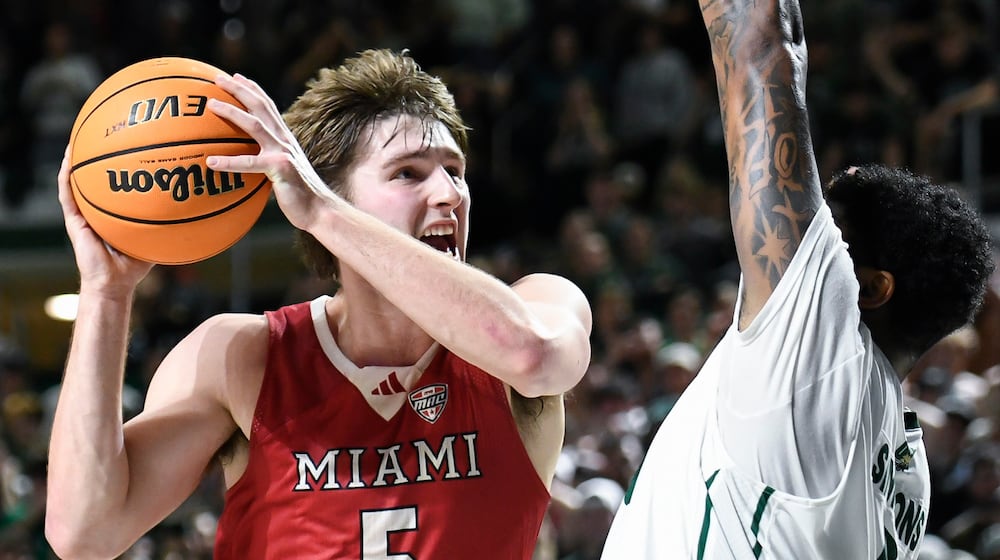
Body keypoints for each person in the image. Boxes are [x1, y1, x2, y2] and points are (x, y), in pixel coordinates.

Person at [45, 49, 593, 559]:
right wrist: (106, 294)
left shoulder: (540, 304)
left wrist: (323, 213)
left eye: (455, 170)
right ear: (330, 187)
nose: (450, 193)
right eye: (409, 172)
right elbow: (84, 533)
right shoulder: (241, 356)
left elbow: (534, 355)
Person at [600, 0, 994, 558]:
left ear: (869, 288)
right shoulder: (908, 476)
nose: (817, 229)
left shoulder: (824, 353)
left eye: (833, 231)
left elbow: (761, 42)